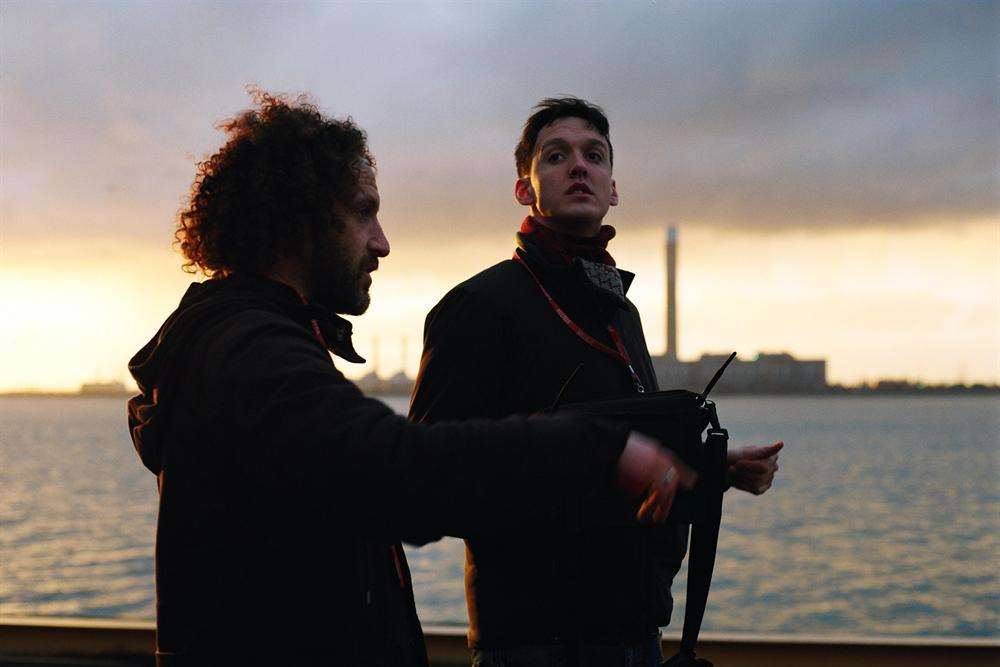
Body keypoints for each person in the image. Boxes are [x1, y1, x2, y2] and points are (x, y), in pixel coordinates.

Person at [126, 90, 691, 666]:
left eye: (595, 156)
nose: (383, 241)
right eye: (365, 211)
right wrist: (597, 450)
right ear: (304, 216)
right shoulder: (248, 349)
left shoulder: (251, 340)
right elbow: (393, 467)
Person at [410, 97, 783, 667]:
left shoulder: (618, 309)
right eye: (555, 156)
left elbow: (626, 448)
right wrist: (593, 460)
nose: (577, 166)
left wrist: (712, 468)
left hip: (636, 631)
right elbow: (427, 481)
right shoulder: (477, 307)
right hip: (535, 643)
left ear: (614, 188)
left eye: (594, 156)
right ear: (524, 189)